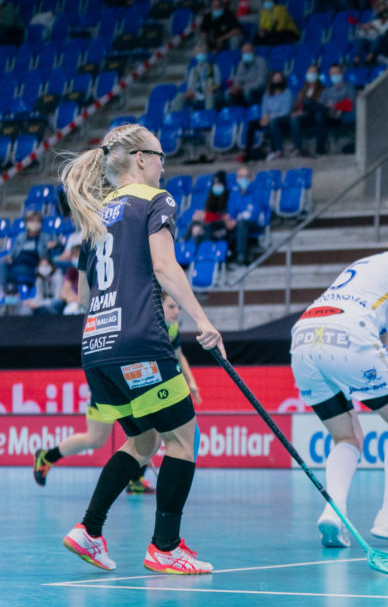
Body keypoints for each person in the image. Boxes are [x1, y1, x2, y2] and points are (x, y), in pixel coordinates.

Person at [58, 124, 223, 574]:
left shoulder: (94, 214)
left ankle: (89, 531)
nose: (164, 165)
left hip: (96, 346)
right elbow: (165, 266)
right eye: (161, 155)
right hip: (139, 343)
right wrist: (202, 320)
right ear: (141, 158)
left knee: (143, 439)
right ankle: (165, 547)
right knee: (183, 439)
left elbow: (87, 294)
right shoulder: (155, 200)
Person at [291, 210, 388, 547]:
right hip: (349, 334)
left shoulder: (371, 264)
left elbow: (385, 344)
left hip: (304, 337)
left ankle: (334, 511)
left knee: (346, 437)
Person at [34, 291, 201, 493]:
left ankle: (136, 480)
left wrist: (191, 382)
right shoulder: (140, 324)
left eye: (178, 307)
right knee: (95, 439)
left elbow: (178, 355)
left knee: (151, 431)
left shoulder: (171, 329)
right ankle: (46, 457)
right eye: (172, 306)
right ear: (159, 305)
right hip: (114, 384)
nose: (177, 311)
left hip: (139, 386)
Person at [247, 72, 293, 159]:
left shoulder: (287, 93)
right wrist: (264, 117)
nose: (277, 81)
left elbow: (285, 111)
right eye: (275, 79)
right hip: (269, 118)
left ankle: (278, 150)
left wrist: (269, 117)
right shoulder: (267, 94)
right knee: (252, 123)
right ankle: (248, 152)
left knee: (273, 122)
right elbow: (264, 109)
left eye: (279, 78)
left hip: (282, 119)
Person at [289, 65, 326, 156]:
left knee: (317, 112)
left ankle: (319, 150)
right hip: (306, 116)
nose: (311, 74)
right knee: (294, 119)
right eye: (309, 72)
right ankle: (297, 148)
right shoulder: (302, 91)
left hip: (317, 114)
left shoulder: (323, 90)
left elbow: (321, 106)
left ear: (318, 75)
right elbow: (296, 107)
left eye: (314, 72)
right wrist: (296, 109)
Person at [182, 42, 223, 111]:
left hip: (212, 93)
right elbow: (190, 87)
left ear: (206, 54)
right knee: (179, 97)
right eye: (198, 53)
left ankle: (208, 118)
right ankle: (176, 120)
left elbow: (218, 84)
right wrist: (189, 93)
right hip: (197, 94)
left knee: (209, 97)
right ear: (195, 55)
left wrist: (211, 89)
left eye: (202, 53)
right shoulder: (193, 70)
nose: (200, 55)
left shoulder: (213, 67)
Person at [226, 43, 268, 108]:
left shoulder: (261, 62)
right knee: (228, 93)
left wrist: (242, 88)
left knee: (247, 92)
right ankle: (236, 112)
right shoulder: (240, 64)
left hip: (257, 91)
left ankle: (251, 112)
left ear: (253, 52)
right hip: (241, 90)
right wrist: (234, 87)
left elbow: (261, 83)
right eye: (244, 52)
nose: (246, 54)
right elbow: (236, 78)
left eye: (248, 51)